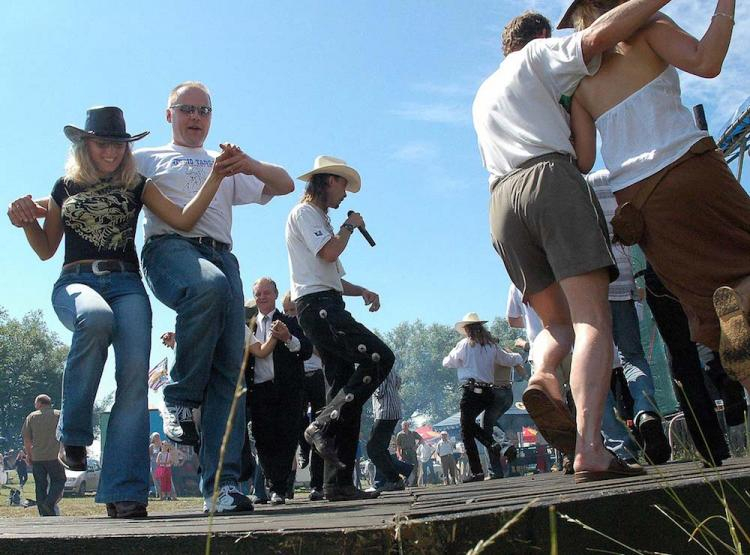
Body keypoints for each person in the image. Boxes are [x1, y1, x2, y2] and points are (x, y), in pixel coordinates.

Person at [472, 1, 671, 482]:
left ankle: (541, 377)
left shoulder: (483, 92)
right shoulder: (538, 56)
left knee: (556, 326)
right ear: (539, 36)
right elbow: (597, 42)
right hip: (549, 182)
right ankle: (590, 448)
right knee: (593, 321)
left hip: (501, 201)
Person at [7, 106, 237, 517]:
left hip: (127, 282)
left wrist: (216, 176)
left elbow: (184, 218)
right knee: (95, 318)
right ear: (85, 144)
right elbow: (45, 250)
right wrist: (25, 220)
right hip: (76, 282)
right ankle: (73, 433)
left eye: (118, 143)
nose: (111, 151)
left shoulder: (137, 184)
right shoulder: (63, 187)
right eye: (102, 143)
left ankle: (125, 492)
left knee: (133, 380)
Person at [564, 0, 749, 392]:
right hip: (690, 169)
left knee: (707, 306)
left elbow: (583, 159)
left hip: (639, 203)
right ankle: (742, 300)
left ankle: (731, 319)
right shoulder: (649, 27)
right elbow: (707, 61)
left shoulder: (578, 81)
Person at [134, 81, 294, 514]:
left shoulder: (223, 163)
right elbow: (96, 181)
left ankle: (220, 488)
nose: (196, 117)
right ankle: (179, 396)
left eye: (204, 110)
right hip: (170, 250)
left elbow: (285, 184)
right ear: (169, 114)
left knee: (230, 374)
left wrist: (249, 163)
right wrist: (47, 203)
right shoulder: (146, 158)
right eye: (186, 108)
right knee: (207, 286)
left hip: (223, 258)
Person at [286, 155, 395, 501]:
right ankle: (321, 424)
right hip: (318, 308)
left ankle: (338, 483)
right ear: (329, 181)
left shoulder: (318, 218)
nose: (346, 194)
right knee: (380, 358)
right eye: (344, 185)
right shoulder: (305, 214)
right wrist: (350, 226)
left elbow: (330, 274)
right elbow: (331, 253)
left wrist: (361, 290)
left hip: (325, 303)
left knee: (342, 389)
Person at [587, 170, 671, 464]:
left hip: (589, 281)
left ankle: (620, 446)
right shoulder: (619, 178)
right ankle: (645, 410)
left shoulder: (580, 186)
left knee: (595, 366)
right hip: (622, 278)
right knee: (632, 356)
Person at [246, 277, 312, 505]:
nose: (262, 297)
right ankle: (270, 484)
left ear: (275, 295)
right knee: (263, 440)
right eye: (258, 294)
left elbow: (306, 350)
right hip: (259, 391)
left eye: (267, 292)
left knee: (286, 438)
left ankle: (279, 489)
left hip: (287, 390)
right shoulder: (249, 325)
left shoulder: (290, 321)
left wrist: (288, 338)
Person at [442, 313, 525, 482]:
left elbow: (448, 362)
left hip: (471, 391)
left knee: (466, 431)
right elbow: (508, 359)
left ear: (467, 330)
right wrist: (519, 357)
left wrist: (455, 357)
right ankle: (492, 446)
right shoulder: (491, 346)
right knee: (471, 426)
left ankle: (481, 465)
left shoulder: (464, 345)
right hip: (488, 392)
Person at [282, 291, 326, 501]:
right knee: (295, 424)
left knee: (319, 427)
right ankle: (302, 447)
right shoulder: (282, 328)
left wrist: (306, 344)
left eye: (294, 310)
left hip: (315, 376)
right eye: (287, 311)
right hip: (295, 378)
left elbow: (322, 352)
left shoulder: (310, 326)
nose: (291, 315)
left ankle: (317, 485)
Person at [21, 395, 65, 516]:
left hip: (38, 457)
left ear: (39, 403)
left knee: (40, 485)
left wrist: (29, 455)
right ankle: (49, 503)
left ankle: (43, 513)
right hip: (54, 456)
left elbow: (27, 439)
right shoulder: (59, 414)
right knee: (59, 480)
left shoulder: (32, 416)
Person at [367, 370, 407, 492]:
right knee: (381, 449)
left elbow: (380, 391)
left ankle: (394, 479)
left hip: (384, 412)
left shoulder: (377, 368)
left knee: (373, 448)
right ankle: (402, 472)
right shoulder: (391, 368)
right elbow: (399, 381)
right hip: (394, 410)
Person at [395, 421, 422, 487]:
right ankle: (406, 483)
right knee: (406, 467)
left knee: (415, 467)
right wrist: (399, 455)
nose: (405, 427)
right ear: (402, 426)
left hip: (412, 452)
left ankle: (414, 483)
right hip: (404, 452)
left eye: (406, 425)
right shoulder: (400, 435)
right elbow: (398, 445)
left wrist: (416, 446)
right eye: (404, 425)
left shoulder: (413, 433)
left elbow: (421, 439)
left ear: (408, 426)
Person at [149, 433, 163, 498]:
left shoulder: (162, 445)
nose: (157, 438)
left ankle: (165, 494)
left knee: (162, 480)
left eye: (158, 436)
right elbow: (150, 455)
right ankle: (159, 494)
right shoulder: (151, 446)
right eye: (155, 437)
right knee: (156, 481)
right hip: (154, 465)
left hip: (161, 465)